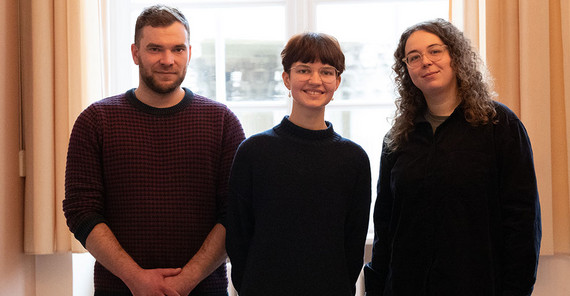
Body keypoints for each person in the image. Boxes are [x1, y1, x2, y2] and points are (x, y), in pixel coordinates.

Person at [63, 5, 245, 296]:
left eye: (177, 49)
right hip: (120, 289)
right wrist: (136, 278)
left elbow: (234, 214)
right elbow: (81, 211)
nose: (167, 60)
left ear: (189, 51)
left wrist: (186, 281)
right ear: (135, 53)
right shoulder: (95, 121)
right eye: (155, 49)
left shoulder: (222, 121)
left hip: (203, 290)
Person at [363, 18, 541, 296]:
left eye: (435, 51)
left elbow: (522, 220)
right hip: (405, 286)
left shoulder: (499, 125)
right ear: (406, 70)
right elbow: (385, 223)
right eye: (414, 57)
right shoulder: (398, 137)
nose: (426, 61)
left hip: (478, 284)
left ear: (455, 56)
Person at [225, 32, 371, 296]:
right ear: (286, 78)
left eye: (326, 72)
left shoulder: (354, 159)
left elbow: (353, 243)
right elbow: (238, 236)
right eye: (304, 69)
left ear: (337, 82)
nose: (315, 80)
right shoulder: (254, 152)